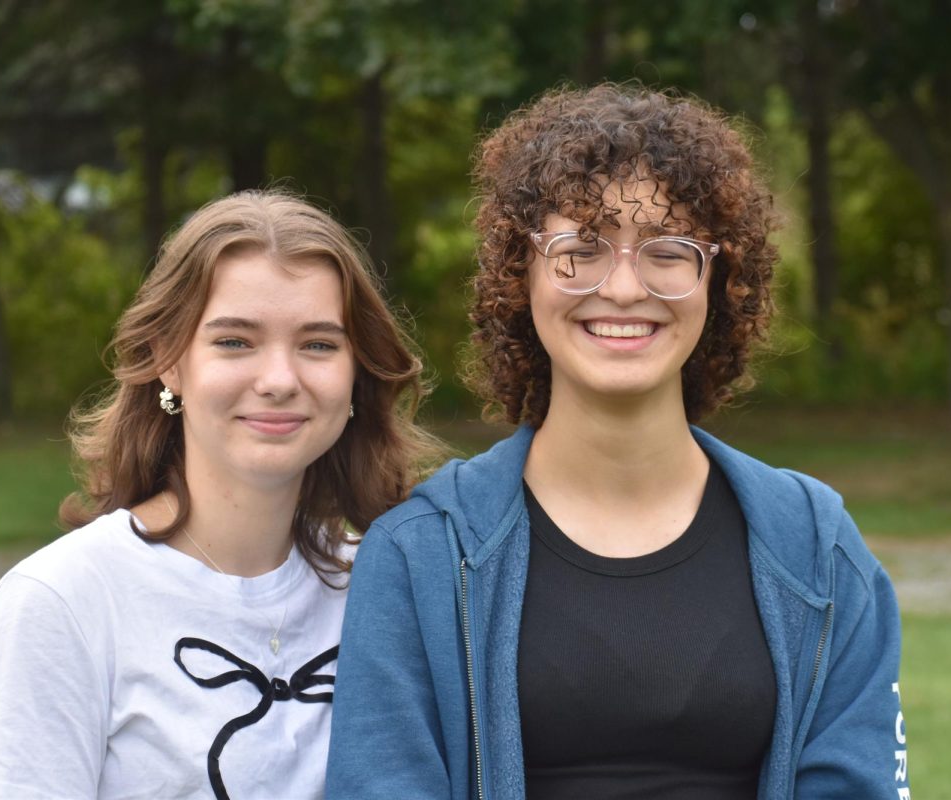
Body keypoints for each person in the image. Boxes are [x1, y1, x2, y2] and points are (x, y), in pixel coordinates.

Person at [326, 85, 909, 799]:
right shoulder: (421, 555)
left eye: (669, 250)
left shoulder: (816, 547)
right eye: (582, 248)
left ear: (718, 280)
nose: (626, 288)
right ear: (522, 273)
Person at [0, 190, 437, 800]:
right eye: (235, 342)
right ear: (168, 360)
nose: (279, 381)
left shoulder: (381, 587)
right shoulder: (61, 605)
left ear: (356, 374)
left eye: (318, 344)